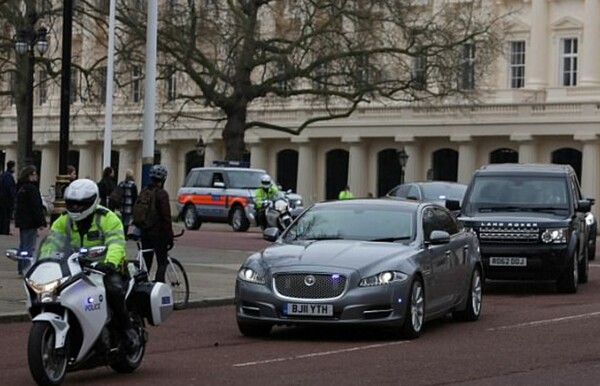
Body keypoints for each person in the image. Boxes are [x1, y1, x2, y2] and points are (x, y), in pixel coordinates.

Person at [39, 178, 139, 352]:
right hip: (75, 267)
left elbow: (116, 243)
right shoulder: (63, 221)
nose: (76, 208)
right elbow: (51, 243)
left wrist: (110, 263)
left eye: (81, 204)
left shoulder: (107, 218)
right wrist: (44, 260)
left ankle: (127, 330)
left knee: (114, 290)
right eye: (72, 204)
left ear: (92, 202)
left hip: (106, 269)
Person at [139, 165, 174, 283]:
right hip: (158, 233)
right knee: (162, 262)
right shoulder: (162, 194)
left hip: (144, 232)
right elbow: (166, 217)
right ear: (163, 179)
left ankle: (141, 287)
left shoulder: (144, 191)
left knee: (146, 263)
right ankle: (159, 288)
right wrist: (170, 235)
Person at [14, 165, 47, 276]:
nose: (36, 176)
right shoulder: (32, 189)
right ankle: (26, 267)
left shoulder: (21, 188)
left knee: (23, 244)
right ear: (30, 176)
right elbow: (36, 207)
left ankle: (21, 266)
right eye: (34, 174)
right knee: (29, 245)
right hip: (30, 222)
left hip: (23, 221)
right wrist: (41, 222)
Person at [116, 169, 138, 235]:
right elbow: (135, 196)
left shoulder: (121, 183)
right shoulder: (133, 185)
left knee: (122, 220)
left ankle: (121, 233)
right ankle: (125, 234)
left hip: (122, 205)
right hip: (129, 205)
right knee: (127, 221)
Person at [0, 160, 17, 235]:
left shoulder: (3, 175)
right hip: (6, 200)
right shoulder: (8, 176)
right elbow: (10, 188)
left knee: (3, 215)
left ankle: (3, 229)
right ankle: (5, 230)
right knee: (6, 215)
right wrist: (14, 197)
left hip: (2, 198)